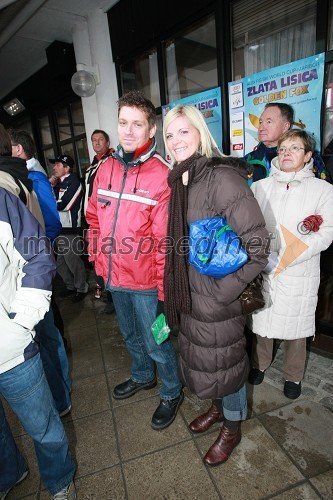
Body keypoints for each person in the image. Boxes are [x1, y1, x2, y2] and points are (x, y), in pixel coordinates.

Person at [162, 104, 268, 466]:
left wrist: (222, 294)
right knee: (206, 362)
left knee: (228, 367)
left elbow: (258, 247)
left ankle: (232, 427)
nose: (176, 140)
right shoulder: (181, 180)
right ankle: (219, 409)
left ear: (200, 133)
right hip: (190, 295)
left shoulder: (221, 178)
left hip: (218, 299)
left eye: (183, 131)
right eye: (170, 134)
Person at [86, 90, 183, 430]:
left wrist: (161, 293)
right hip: (115, 278)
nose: (128, 131)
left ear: (151, 129)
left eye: (137, 124)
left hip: (146, 284)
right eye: (123, 123)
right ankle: (143, 376)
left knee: (157, 339)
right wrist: (99, 269)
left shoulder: (162, 174)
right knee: (129, 336)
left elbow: (164, 244)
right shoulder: (106, 168)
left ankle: (172, 391)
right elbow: (94, 222)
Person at [0, 125, 76, 500]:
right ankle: (9, 473)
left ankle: (60, 479)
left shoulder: (22, 183)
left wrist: (22, 317)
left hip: (14, 330)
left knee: (50, 341)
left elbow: (45, 227)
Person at [248, 130, 333, 399]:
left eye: (295, 148)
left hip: (300, 269)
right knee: (262, 322)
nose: (286, 153)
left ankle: (293, 376)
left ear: (308, 156)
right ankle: (259, 364)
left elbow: (327, 231)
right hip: (264, 267)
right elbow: (248, 225)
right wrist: (261, 253)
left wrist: (290, 254)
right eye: (283, 148)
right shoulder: (259, 187)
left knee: (297, 328)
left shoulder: (323, 190)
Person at [8, 129, 72, 416]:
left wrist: (46, 254)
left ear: (19, 149)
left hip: (33, 274)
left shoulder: (30, 180)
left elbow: (50, 221)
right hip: (20, 281)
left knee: (48, 335)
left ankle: (62, 396)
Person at [244, 103, 330, 184]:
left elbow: (326, 192)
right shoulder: (247, 160)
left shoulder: (309, 157)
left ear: (285, 126)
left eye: (269, 122)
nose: (261, 128)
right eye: (260, 122)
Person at [50, 154, 89, 303]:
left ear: (67, 168)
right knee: (59, 262)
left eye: (58, 165)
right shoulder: (57, 183)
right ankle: (70, 286)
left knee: (73, 261)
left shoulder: (74, 183)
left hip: (70, 229)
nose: (54, 167)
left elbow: (64, 205)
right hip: (58, 228)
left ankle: (82, 288)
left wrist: (50, 199)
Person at [84, 129, 115, 311]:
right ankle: (107, 292)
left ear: (107, 141)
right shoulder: (92, 165)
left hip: (105, 220)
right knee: (97, 259)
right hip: (92, 219)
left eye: (100, 140)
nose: (96, 143)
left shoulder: (111, 161)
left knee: (108, 257)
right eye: (93, 140)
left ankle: (113, 298)